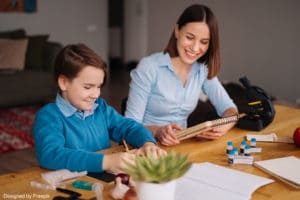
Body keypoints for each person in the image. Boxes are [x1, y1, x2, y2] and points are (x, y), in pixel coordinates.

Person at [33, 44, 165, 173]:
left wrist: (147, 143)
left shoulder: (100, 108)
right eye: (88, 87)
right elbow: (51, 155)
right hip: (71, 185)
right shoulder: (48, 117)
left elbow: (127, 127)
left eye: (99, 86)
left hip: (105, 180)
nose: (96, 94)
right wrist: (106, 162)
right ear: (64, 83)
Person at [125, 4, 238, 146]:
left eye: (204, 42)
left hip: (181, 148)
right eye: (190, 37)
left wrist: (225, 125)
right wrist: (158, 131)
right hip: (145, 146)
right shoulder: (149, 67)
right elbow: (129, 127)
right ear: (177, 31)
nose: (195, 48)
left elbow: (229, 109)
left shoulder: (202, 69)